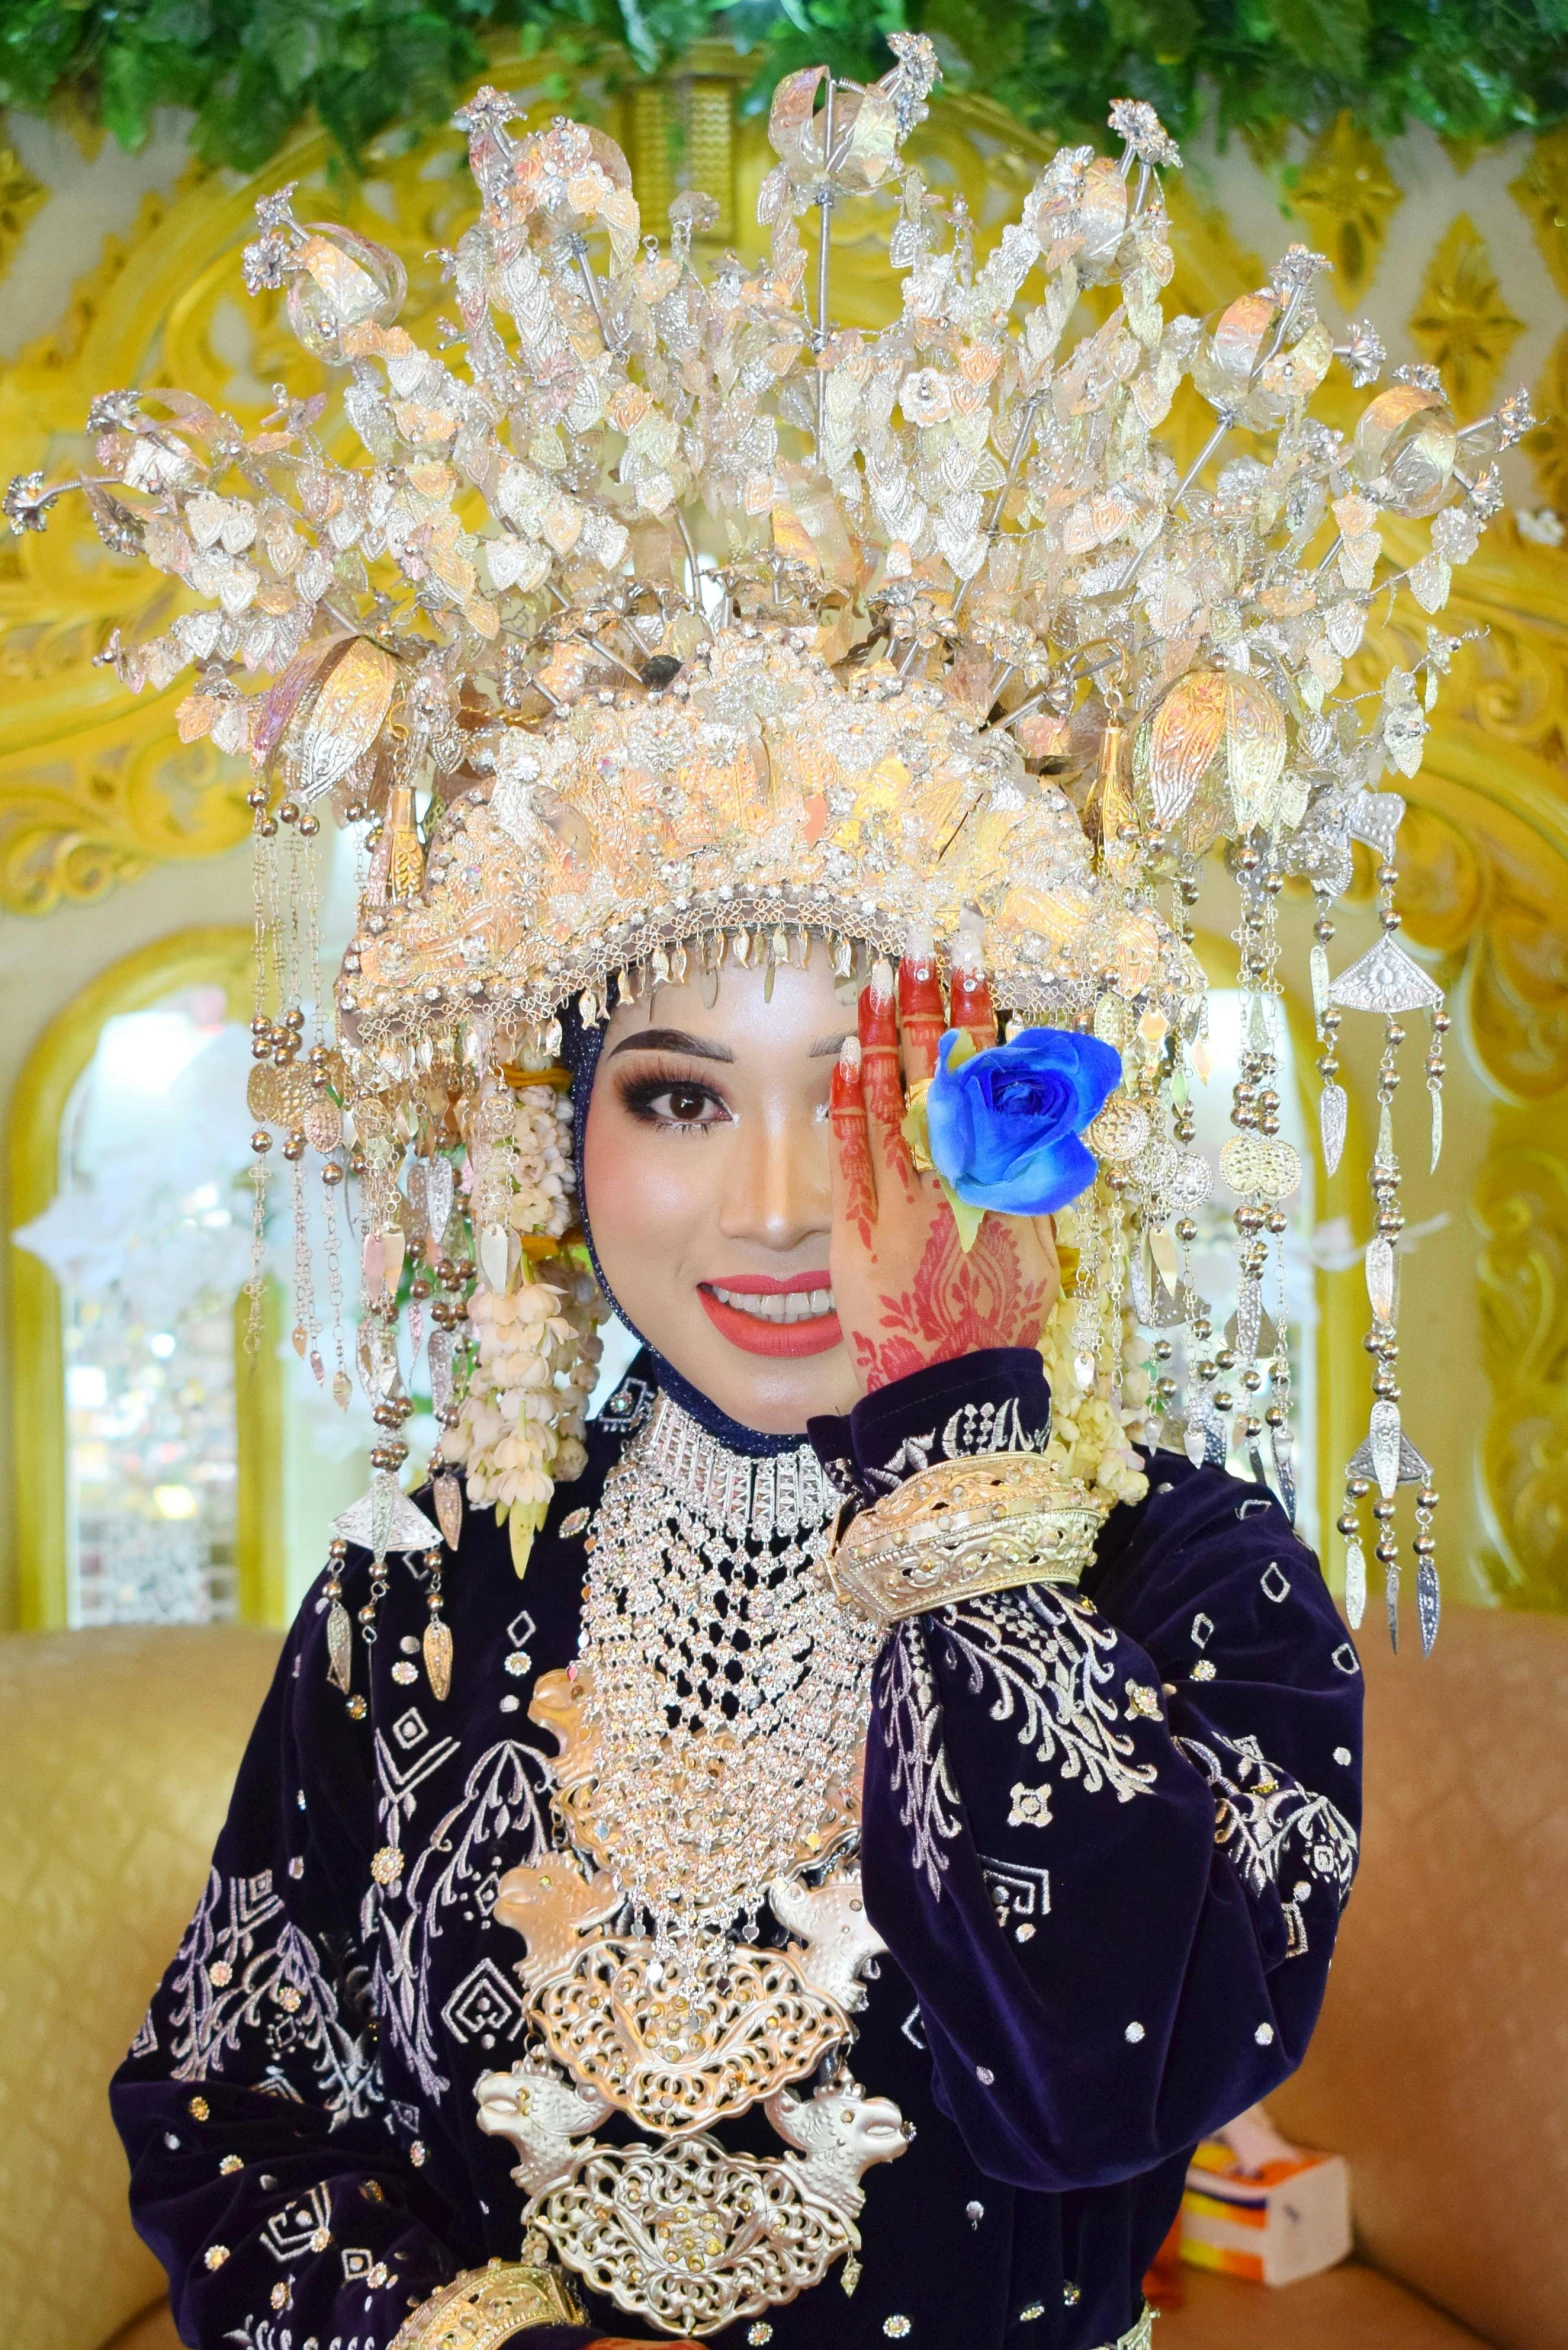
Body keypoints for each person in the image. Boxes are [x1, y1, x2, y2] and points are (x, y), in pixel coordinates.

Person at [111, 937, 1362, 2350]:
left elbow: (1100, 2080)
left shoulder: (1177, 1561)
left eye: (871, 1102)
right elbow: (224, 2099)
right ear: (560, 1121)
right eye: (681, 1100)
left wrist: (958, 1469)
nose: (778, 1211)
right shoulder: (425, 1578)